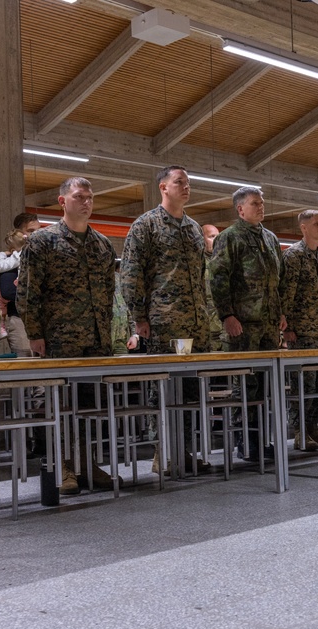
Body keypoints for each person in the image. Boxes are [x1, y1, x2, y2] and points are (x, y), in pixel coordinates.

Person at [17, 176, 118, 494]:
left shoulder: (102, 244)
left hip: (95, 341)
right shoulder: (43, 241)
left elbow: (108, 294)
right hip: (59, 339)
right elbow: (29, 291)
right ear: (62, 201)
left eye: (90, 197)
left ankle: (86, 463)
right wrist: (35, 333)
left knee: (89, 406)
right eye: (79, 197)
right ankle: (61, 466)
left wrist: (108, 336)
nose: (86, 202)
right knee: (58, 405)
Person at [120, 166, 213, 473]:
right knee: (161, 390)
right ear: (163, 187)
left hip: (195, 325)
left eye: (188, 183)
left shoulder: (192, 227)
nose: (186, 187)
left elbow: (201, 277)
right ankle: (163, 452)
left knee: (190, 391)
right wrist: (138, 316)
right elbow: (131, 274)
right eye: (179, 182)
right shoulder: (146, 224)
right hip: (164, 322)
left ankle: (184, 450)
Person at [210, 186, 287, 461]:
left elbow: (279, 281)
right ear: (240, 209)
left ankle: (260, 439)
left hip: (267, 326)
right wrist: (227, 315)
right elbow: (218, 279)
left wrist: (281, 312)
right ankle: (245, 442)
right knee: (245, 387)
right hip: (242, 325)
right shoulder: (229, 238)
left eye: (262, 202)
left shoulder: (270, 239)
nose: (261, 206)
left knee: (265, 388)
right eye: (255, 203)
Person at [279, 210, 318, 450]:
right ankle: (300, 431)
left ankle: (314, 427)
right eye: (316, 223)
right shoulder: (293, 256)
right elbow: (287, 294)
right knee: (302, 385)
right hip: (301, 332)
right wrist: (288, 328)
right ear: (303, 227)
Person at [201, 223, 223, 352]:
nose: (216, 240)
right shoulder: (197, 263)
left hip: (225, 328)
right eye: (212, 236)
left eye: (218, 237)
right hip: (206, 328)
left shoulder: (224, 262)